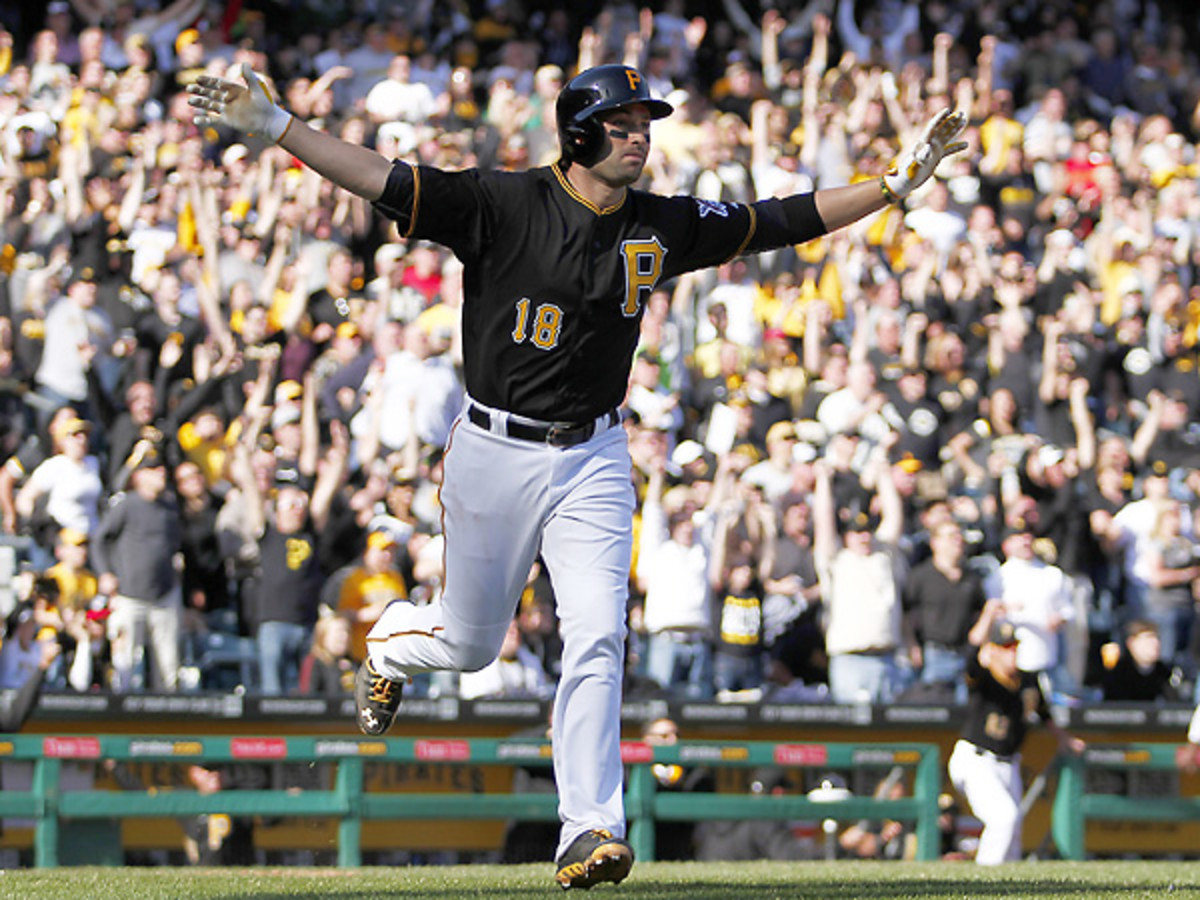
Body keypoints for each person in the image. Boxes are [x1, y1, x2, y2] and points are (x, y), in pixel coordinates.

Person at [188, 59, 965, 890]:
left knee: (598, 634)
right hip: (496, 447)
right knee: (472, 643)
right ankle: (390, 643)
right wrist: (276, 128)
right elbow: (382, 176)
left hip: (595, 452)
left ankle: (588, 828)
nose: (641, 136)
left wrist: (889, 185)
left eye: (646, 123)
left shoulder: (659, 222)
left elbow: (776, 219)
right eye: (624, 123)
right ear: (579, 130)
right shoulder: (504, 202)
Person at [947, 615, 1084, 865]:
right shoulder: (984, 678)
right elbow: (970, 658)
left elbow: (1043, 713)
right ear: (993, 651)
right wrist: (988, 615)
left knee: (1013, 835)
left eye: (1014, 647)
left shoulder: (1028, 681)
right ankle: (984, 883)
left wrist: (1064, 738)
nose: (1011, 654)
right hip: (976, 759)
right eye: (1005, 648)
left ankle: (1008, 885)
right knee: (1003, 818)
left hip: (1009, 762)